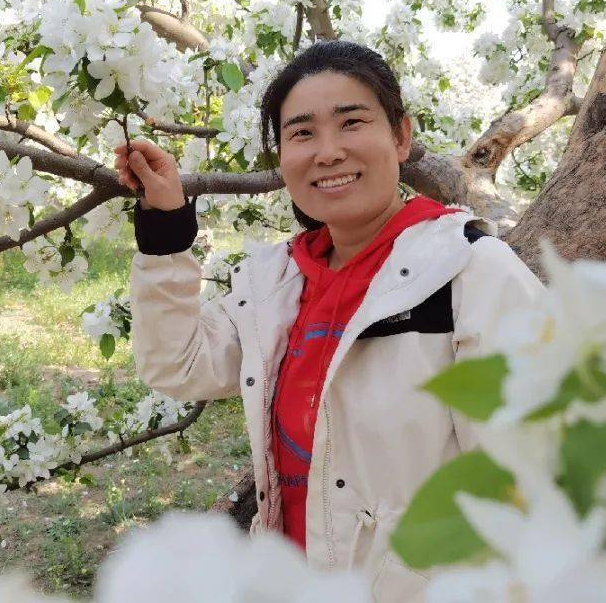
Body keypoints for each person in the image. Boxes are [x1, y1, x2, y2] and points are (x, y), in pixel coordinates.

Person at [114, 40, 543, 602]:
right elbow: (179, 364)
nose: (329, 151)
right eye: (302, 133)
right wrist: (166, 227)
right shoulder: (278, 283)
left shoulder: (469, 272)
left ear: (401, 136)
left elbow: (530, 486)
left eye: (351, 122)